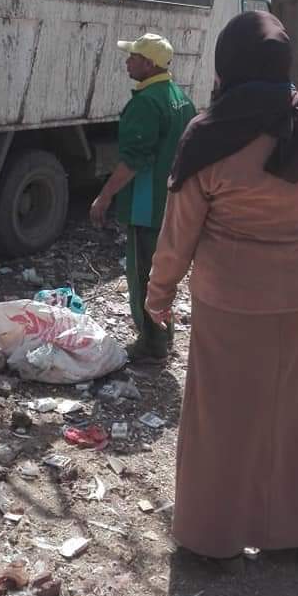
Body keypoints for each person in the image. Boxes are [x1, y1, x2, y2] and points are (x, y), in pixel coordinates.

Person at [144, 11, 298, 571]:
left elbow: (178, 233)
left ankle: (214, 542)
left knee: (222, 417)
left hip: (230, 300)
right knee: (296, 415)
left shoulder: (209, 134)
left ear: (227, 63)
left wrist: (158, 292)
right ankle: (294, 540)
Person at [90, 34, 195, 362]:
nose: (127, 61)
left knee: (144, 276)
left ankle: (152, 344)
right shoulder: (179, 96)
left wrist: (104, 198)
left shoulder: (146, 102)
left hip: (145, 206)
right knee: (163, 275)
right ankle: (164, 335)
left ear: (149, 64)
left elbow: (133, 160)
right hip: (171, 202)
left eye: (133, 56)